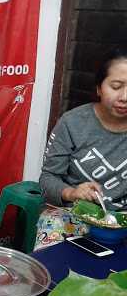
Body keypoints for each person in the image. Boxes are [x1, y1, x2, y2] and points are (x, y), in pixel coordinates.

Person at [36, 45, 127, 248]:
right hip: (71, 216)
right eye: (116, 86)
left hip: (121, 221)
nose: (125, 97)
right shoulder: (73, 123)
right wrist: (73, 193)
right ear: (99, 88)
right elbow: (47, 180)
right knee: (57, 262)